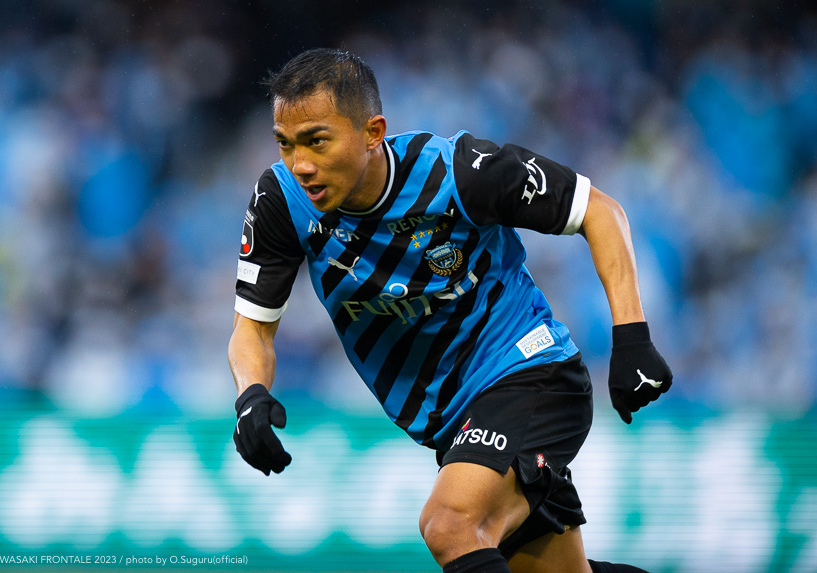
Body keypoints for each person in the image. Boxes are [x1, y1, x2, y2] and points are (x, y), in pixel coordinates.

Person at [228, 48, 672, 573]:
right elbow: (252, 330)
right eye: (285, 144)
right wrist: (250, 397)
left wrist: (632, 337)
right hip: (453, 422)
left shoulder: (458, 172)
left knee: (450, 524)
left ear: (372, 133)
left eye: (317, 141)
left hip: (530, 370)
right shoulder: (281, 201)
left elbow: (598, 210)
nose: (300, 164)